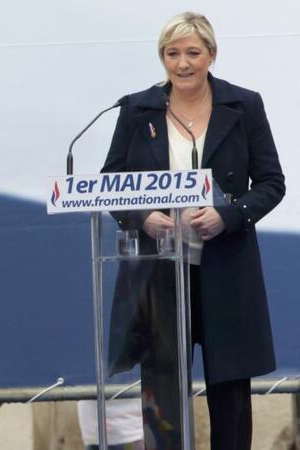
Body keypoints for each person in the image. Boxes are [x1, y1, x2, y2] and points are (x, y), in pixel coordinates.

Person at [101, 12, 284, 450]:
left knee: (230, 394)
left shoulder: (244, 106)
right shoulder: (136, 108)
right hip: (160, 270)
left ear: (211, 55)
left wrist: (229, 214)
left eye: (192, 53)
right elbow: (111, 183)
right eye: (172, 54)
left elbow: (271, 183)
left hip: (226, 268)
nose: (182, 64)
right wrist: (143, 216)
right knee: (161, 392)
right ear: (162, 58)